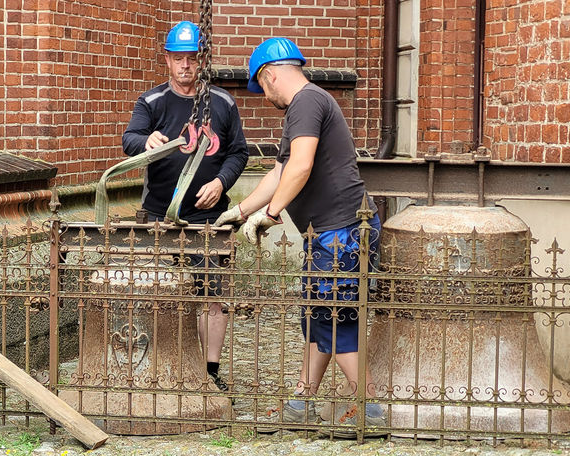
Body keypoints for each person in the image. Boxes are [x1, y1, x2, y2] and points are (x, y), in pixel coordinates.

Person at [214, 37, 384, 438]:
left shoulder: (306, 102)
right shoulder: (305, 107)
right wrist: (239, 212)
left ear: (269, 74)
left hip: (340, 232)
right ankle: (301, 402)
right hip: (330, 232)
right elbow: (278, 172)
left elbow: (301, 166)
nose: (265, 95)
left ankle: (369, 408)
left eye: (263, 87)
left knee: (334, 318)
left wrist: (270, 215)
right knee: (319, 316)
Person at [121, 21, 249, 392]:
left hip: (207, 217)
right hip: (160, 213)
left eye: (192, 59)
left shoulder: (222, 102)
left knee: (211, 297)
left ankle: (209, 372)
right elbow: (129, 138)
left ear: (202, 61)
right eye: (179, 59)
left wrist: (221, 182)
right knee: (157, 294)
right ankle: (157, 365)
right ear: (167, 60)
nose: (185, 66)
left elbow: (238, 152)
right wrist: (146, 141)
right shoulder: (152, 102)